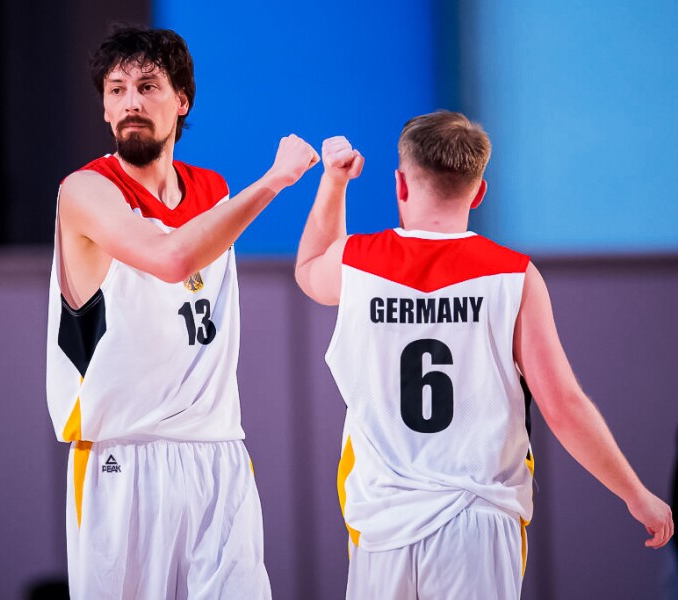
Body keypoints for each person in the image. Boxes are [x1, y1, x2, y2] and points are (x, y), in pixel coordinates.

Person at [294, 111, 673, 599]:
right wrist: (635, 494)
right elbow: (562, 404)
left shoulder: (356, 261)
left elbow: (308, 266)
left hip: (381, 523)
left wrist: (334, 181)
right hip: (478, 521)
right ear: (479, 193)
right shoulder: (514, 276)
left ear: (400, 184)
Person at [45, 25, 318, 600]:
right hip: (122, 457)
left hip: (218, 452)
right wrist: (275, 180)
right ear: (104, 108)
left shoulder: (213, 191)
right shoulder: (85, 191)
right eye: (117, 90)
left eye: (148, 86)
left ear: (182, 101)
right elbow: (171, 259)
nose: (131, 102)